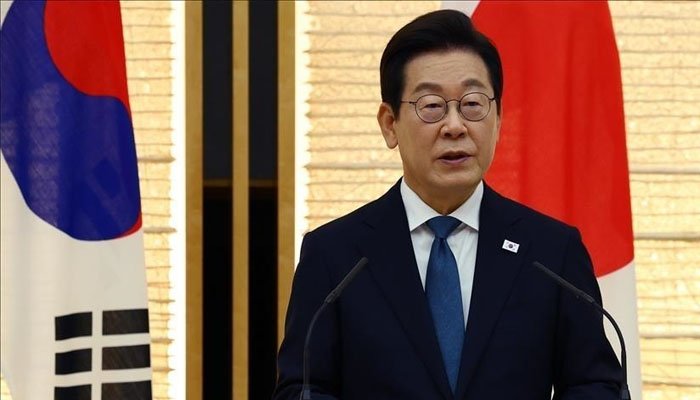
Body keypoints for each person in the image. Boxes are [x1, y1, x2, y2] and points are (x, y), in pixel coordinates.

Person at [273, 9, 622, 400]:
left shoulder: (552, 253)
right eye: (432, 106)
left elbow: (595, 385)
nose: (455, 126)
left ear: (498, 118)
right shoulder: (335, 256)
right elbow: (303, 389)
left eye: (472, 104)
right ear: (389, 124)